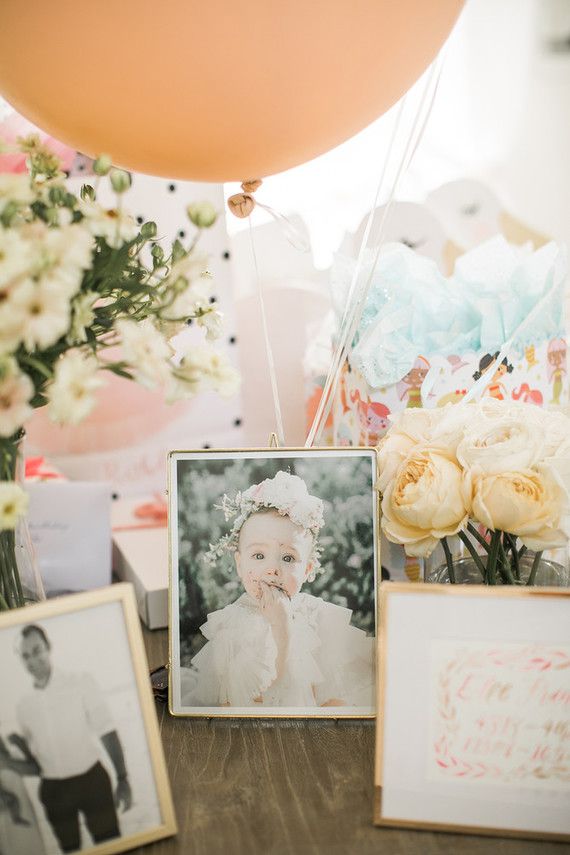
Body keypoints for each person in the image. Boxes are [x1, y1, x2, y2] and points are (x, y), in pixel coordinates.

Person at [180, 471, 374, 709]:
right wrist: (281, 627)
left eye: (288, 557)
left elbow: (334, 694)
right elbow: (261, 699)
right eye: (259, 555)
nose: (272, 569)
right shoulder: (233, 625)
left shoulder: (317, 615)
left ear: (307, 569)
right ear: (240, 564)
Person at [0, 624, 132, 854]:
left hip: (92, 780)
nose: (33, 660)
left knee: (112, 845)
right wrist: (15, 753)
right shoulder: (24, 706)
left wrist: (122, 777)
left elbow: (106, 731)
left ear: (48, 647)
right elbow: (36, 763)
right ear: (21, 660)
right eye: (25, 655)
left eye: (37, 650)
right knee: (70, 850)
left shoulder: (80, 682)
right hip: (54, 792)